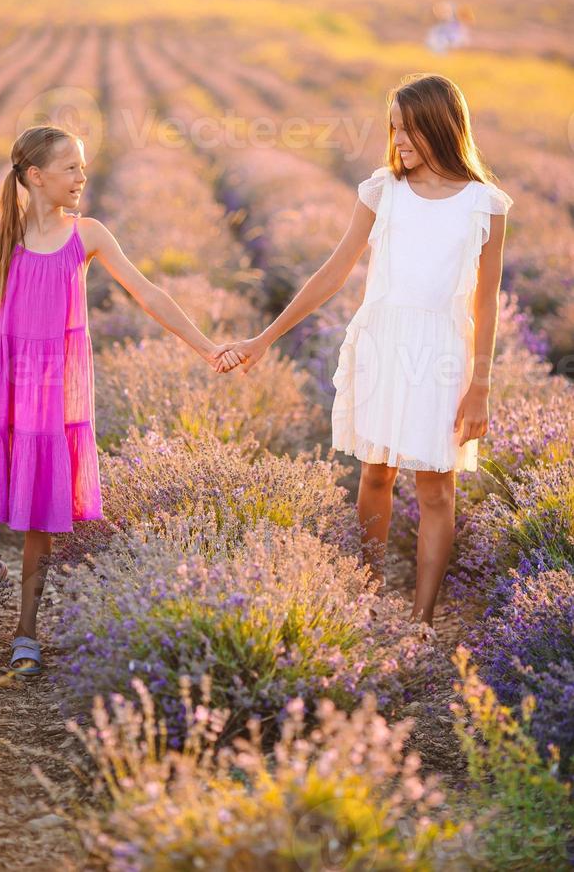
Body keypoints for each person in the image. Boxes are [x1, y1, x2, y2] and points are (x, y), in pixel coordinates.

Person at [212, 73, 513, 627]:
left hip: (442, 353)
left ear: (443, 129)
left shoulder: (484, 204)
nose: (397, 140)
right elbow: (333, 272)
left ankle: (422, 618)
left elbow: (487, 304)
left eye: (409, 130)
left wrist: (480, 386)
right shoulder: (384, 191)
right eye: (393, 128)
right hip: (382, 344)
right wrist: (265, 337)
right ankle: (368, 600)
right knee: (375, 476)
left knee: (436, 488)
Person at [0, 124, 242, 677]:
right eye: (71, 167)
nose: (82, 176)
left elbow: (148, 294)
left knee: (38, 514)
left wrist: (206, 348)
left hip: (50, 392)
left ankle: (25, 630)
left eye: (83, 166)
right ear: (36, 176)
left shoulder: (89, 234)